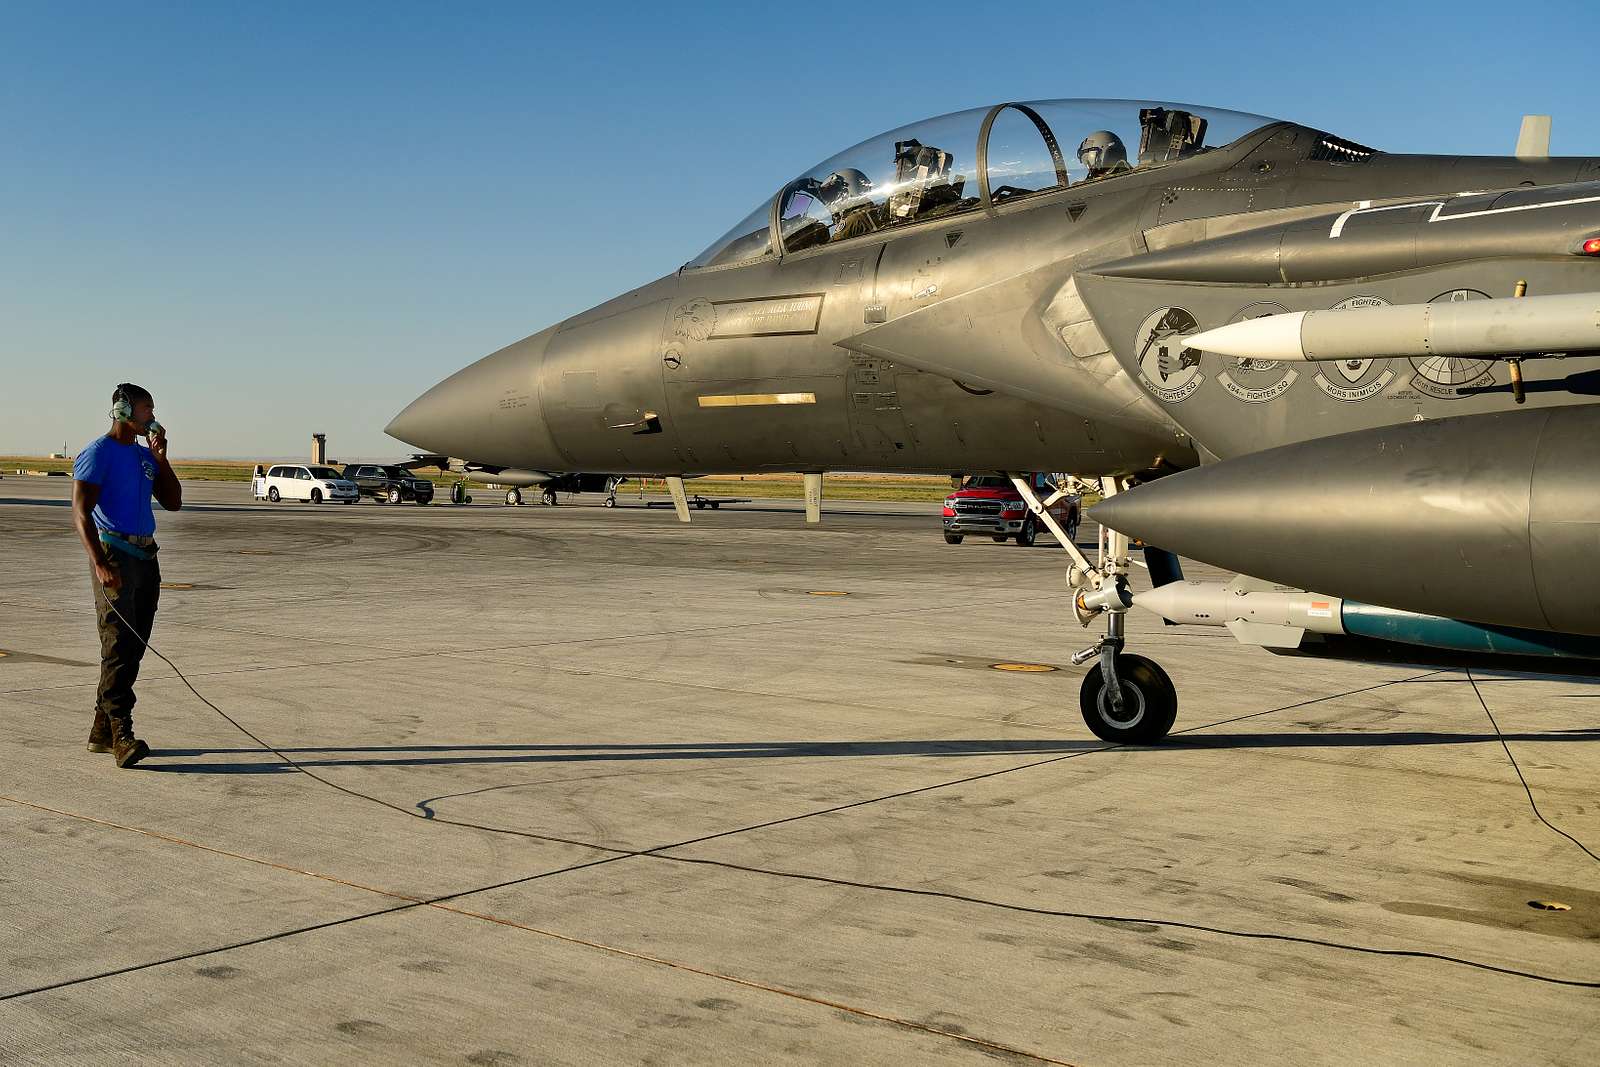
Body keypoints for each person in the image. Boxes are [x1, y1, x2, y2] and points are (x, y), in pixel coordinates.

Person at [71, 383, 183, 768]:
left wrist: (161, 459)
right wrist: (100, 562)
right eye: (145, 409)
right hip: (113, 553)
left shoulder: (144, 456)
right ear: (122, 410)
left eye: (152, 409)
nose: (151, 416)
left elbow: (173, 502)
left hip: (146, 555)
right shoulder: (97, 454)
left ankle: (101, 729)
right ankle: (122, 732)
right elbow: (81, 513)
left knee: (135, 644)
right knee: (117, 643)